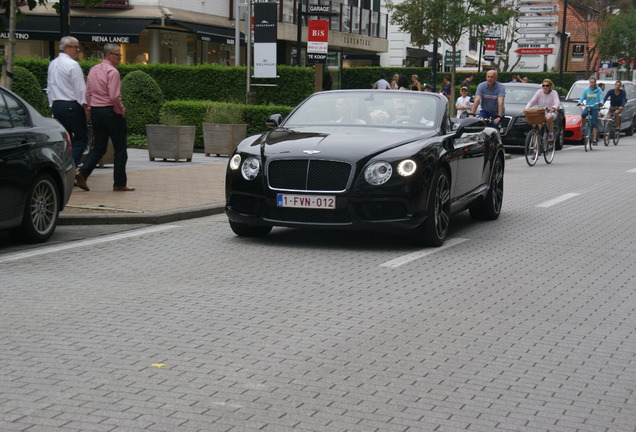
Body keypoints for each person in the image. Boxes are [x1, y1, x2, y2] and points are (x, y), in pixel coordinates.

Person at [75, 43, 135, 192]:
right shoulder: (112, 72)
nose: (120, 58)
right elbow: (114, 96)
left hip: (96, 111)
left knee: (99, 147)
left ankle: (82, 173)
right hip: (111, 111)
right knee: (120, 148)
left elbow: (88, 93)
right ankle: (119, 183)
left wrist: (89, 110)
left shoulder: (93, 70)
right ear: (108, 55)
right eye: (117, 55)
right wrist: (121, 109)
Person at [46, 36, 89, 166]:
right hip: (71, 105)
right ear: (65, 48)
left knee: (66, 140)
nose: (77, 50)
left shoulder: (52, 64)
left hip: (57, 105)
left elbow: (50, 86)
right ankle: (70, 168)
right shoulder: (72, 65)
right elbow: (80, 89)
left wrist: (52, 105)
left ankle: (63, 167)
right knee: (81, 140)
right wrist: (86, 108)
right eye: (75, 47)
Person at [577, 77, 604, 145]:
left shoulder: (599, 90)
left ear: (595, 83)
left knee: (594, 123)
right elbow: (582, 98)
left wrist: (601, 102)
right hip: (588, 106)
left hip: (595, 107)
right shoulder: (586, 90)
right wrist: (580, 102)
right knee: (583, 114)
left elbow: (601, 97)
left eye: (593, 82)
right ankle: (583, 126)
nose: (592, 84)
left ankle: (594, 139)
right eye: (591, 82)